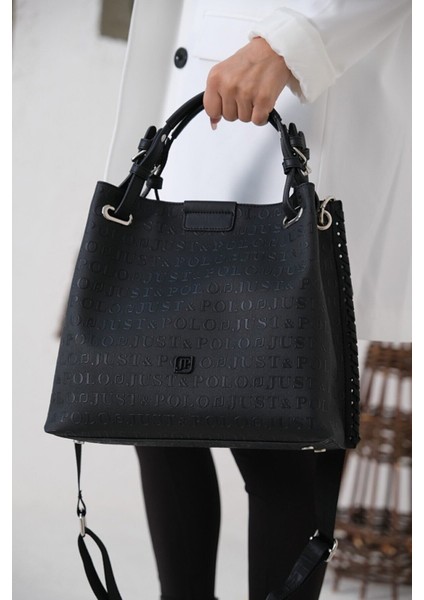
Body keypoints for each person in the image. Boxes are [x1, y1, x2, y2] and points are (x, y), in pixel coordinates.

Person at [104, 2, 412, 599]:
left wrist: (291, 42)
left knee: (277, 434)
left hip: (289, 87)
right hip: (198, 95)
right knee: (152, 407)